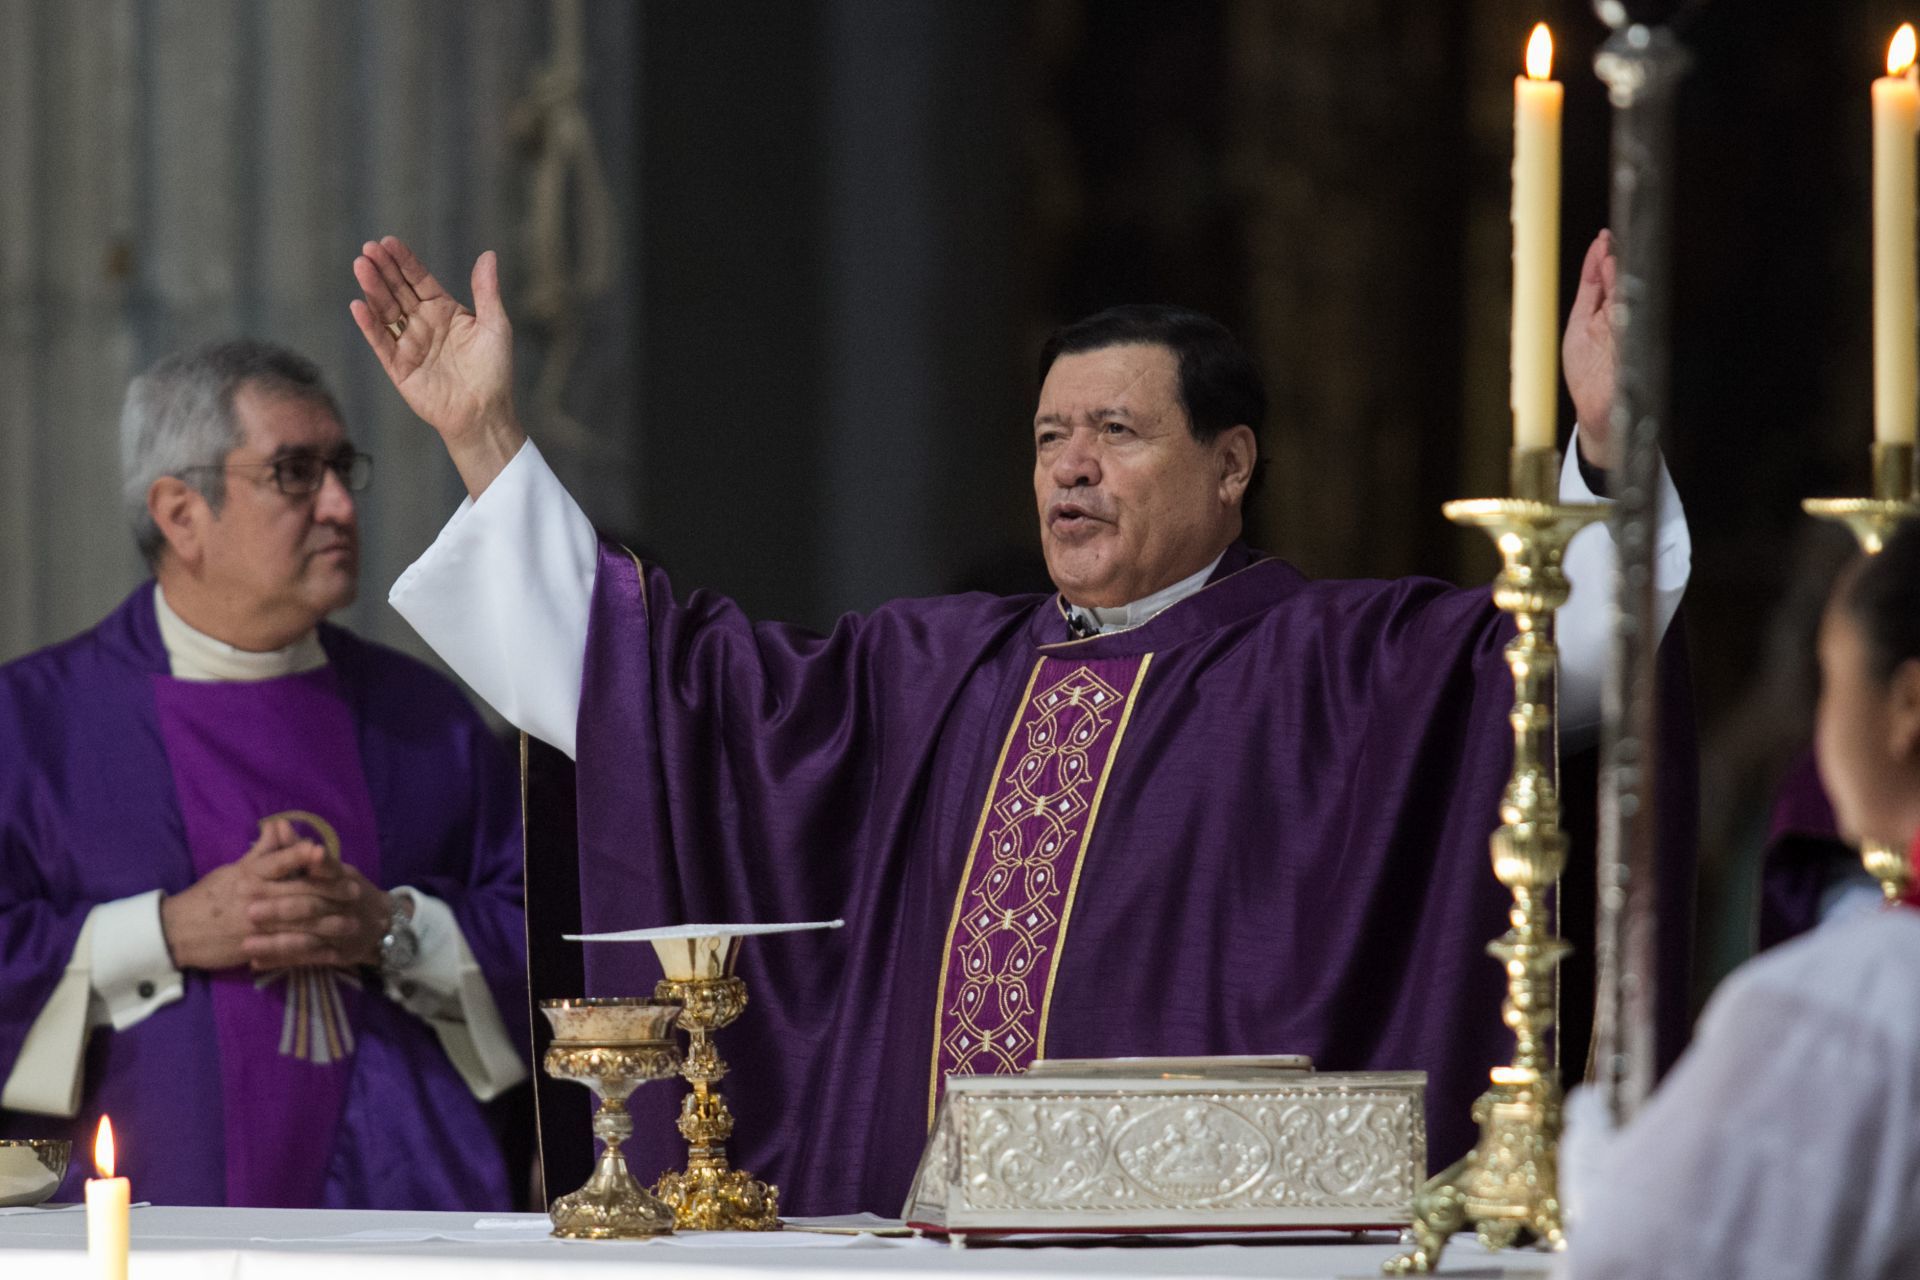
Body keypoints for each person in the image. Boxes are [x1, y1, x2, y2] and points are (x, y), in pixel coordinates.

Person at [350, 231, 1691, 1215]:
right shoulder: (935, 668)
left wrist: (1610, 447)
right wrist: (486, 443)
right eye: (1051, 435)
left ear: (1232, 467)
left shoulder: (1344, 664)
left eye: (1118, 429)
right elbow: (667, 689)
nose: (1072, 466)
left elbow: (1568, 662)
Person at [0, 341, 529, 1210]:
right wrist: (166, 933)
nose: (339, 506)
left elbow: (554, 941)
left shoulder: (423, 722)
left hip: (412, 1217)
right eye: (293, 473)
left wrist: (392, 928)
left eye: (340, 468)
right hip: (143, 1216)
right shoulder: (36, 725)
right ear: (179, 513)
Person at [1563, 522, 1920, 1280]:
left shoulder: (1844, 1009)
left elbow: (1644, 1259)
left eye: (1833, 680)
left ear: (1908, 702)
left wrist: (1595, 1150)